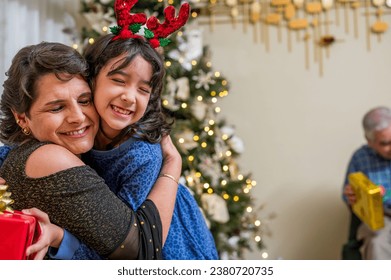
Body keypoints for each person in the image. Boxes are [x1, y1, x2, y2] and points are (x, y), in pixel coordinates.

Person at [0, 41, 181, 259]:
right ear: (22, 117)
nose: (78, 117)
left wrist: (61, 238)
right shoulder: (51, 157)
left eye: (84, 101)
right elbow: (140, 254)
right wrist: (173, 163)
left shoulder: (40, 151)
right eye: (57, 107)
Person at [342, 106, 391, 260]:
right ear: (370, 141)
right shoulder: (360, 158)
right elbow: (347, 197)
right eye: (385, 143)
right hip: (381, 216)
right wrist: (352, 197)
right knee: (377, 243)